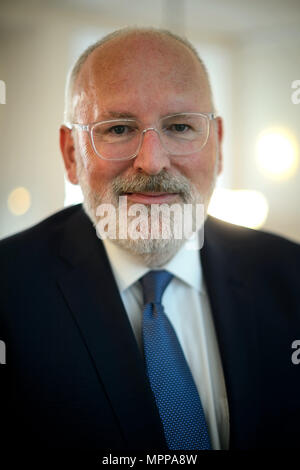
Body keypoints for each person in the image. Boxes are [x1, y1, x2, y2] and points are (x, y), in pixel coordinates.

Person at [1, 27, 300, 454]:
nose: (152, 161)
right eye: (119, 129)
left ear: (218, 145)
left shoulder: (291, 276)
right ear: (71, 155)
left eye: (180, 126)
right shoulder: (8, 292)